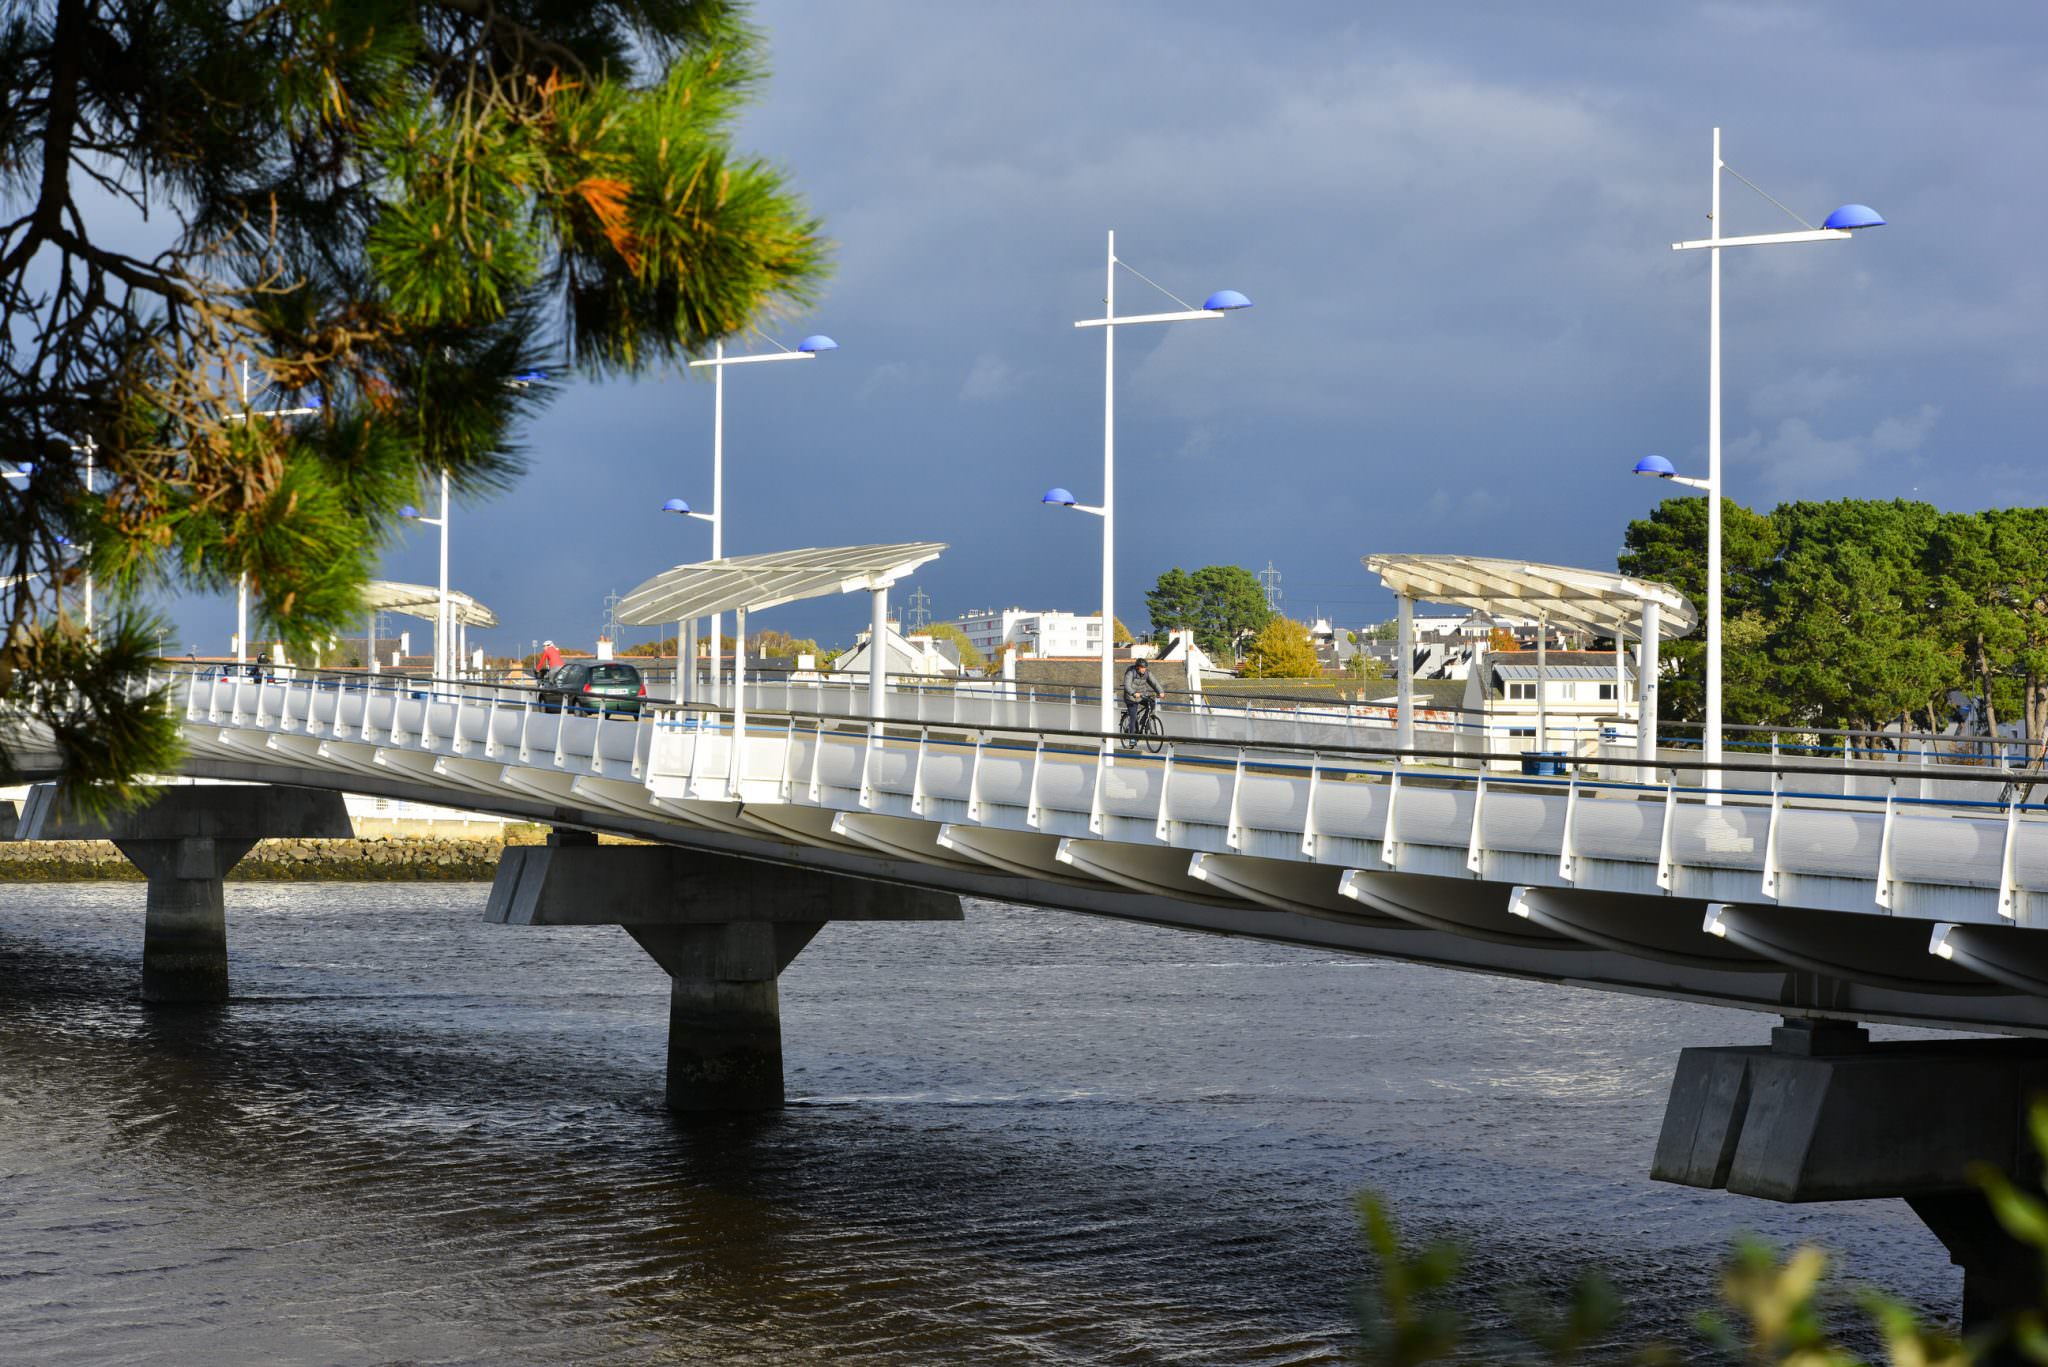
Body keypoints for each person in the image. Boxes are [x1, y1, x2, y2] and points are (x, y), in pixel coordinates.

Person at [1120, 657, 1161, 735]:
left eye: (1145, 667)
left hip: (1140, 696)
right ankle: (1132, 737)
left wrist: (1160, 692)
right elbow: (1127, 685)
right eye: (1142, 667)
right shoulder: (1131, 673)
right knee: (1133, 717)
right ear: (1137, 667)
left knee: (1152, 703)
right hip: (1130, 697)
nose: (1143, 669)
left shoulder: (1147, 673)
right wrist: (1133, 693)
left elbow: (1154, 683)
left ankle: (1143, 721)